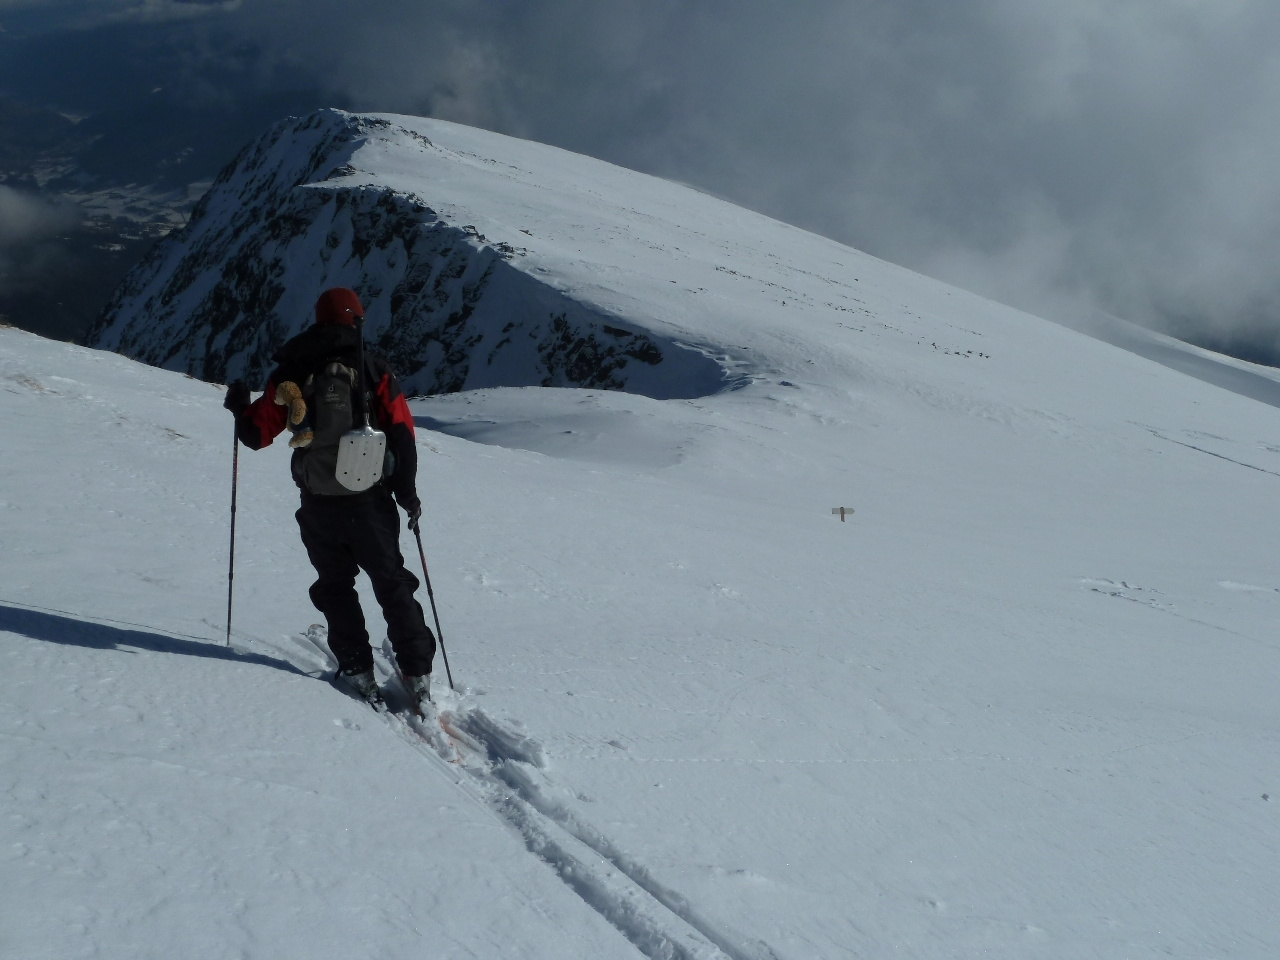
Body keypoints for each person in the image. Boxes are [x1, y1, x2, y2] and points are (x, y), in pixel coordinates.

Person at [223, 287, 435, 709]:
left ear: (319, 320)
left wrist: (238, 408)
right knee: (392, 583)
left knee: (336, 586)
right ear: (356, 321)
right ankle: (417, 670)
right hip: (370, 501)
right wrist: (406, 494)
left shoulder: (294, 369)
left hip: (319, 502)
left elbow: (256, 434)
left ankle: (357, 667)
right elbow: (403, 435)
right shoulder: (374, 369)